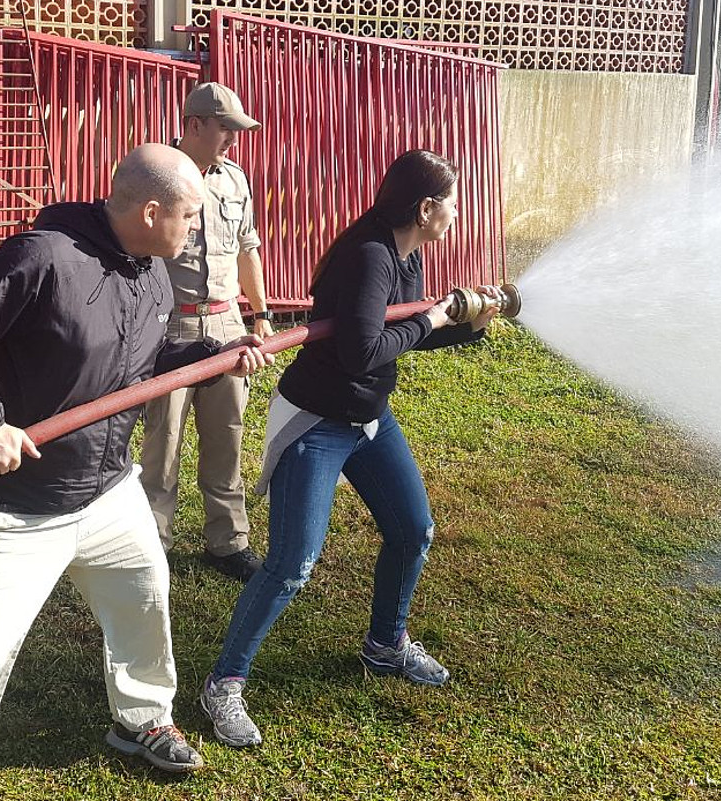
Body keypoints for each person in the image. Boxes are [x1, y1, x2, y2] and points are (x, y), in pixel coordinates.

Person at [0, 143, 274, 800]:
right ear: (152, 211)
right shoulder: (42, 257)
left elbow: (146, 364)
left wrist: (217, 353)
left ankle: (142, 718)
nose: (195, 231)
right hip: (20, 506)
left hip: (108, 491)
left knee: (144, 599)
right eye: (188, 217)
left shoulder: (151, 272)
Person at [197, 149, 504, 747]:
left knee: (414, 531)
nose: (458, 212)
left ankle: (386, 645)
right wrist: (436, 320)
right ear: (426, 208)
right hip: (316, 421)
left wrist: (466, 324)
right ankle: (224, 682)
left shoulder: (405, 254)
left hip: (367, 418)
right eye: (453, 202)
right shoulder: (369, 256)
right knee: (293, 565)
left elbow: (401, 340)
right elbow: (363, 351)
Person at [140, 82, 272, 583]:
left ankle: (228, 541)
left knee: (227, 434)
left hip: (225, 321)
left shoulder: (234, 181)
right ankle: (154, 544)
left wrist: (259, 315)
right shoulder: (158, 175)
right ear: (194, 124)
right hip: (170, 324)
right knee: (163, 440)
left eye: (237, 131)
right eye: (225, 129)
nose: (233, 140)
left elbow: (247, 249)